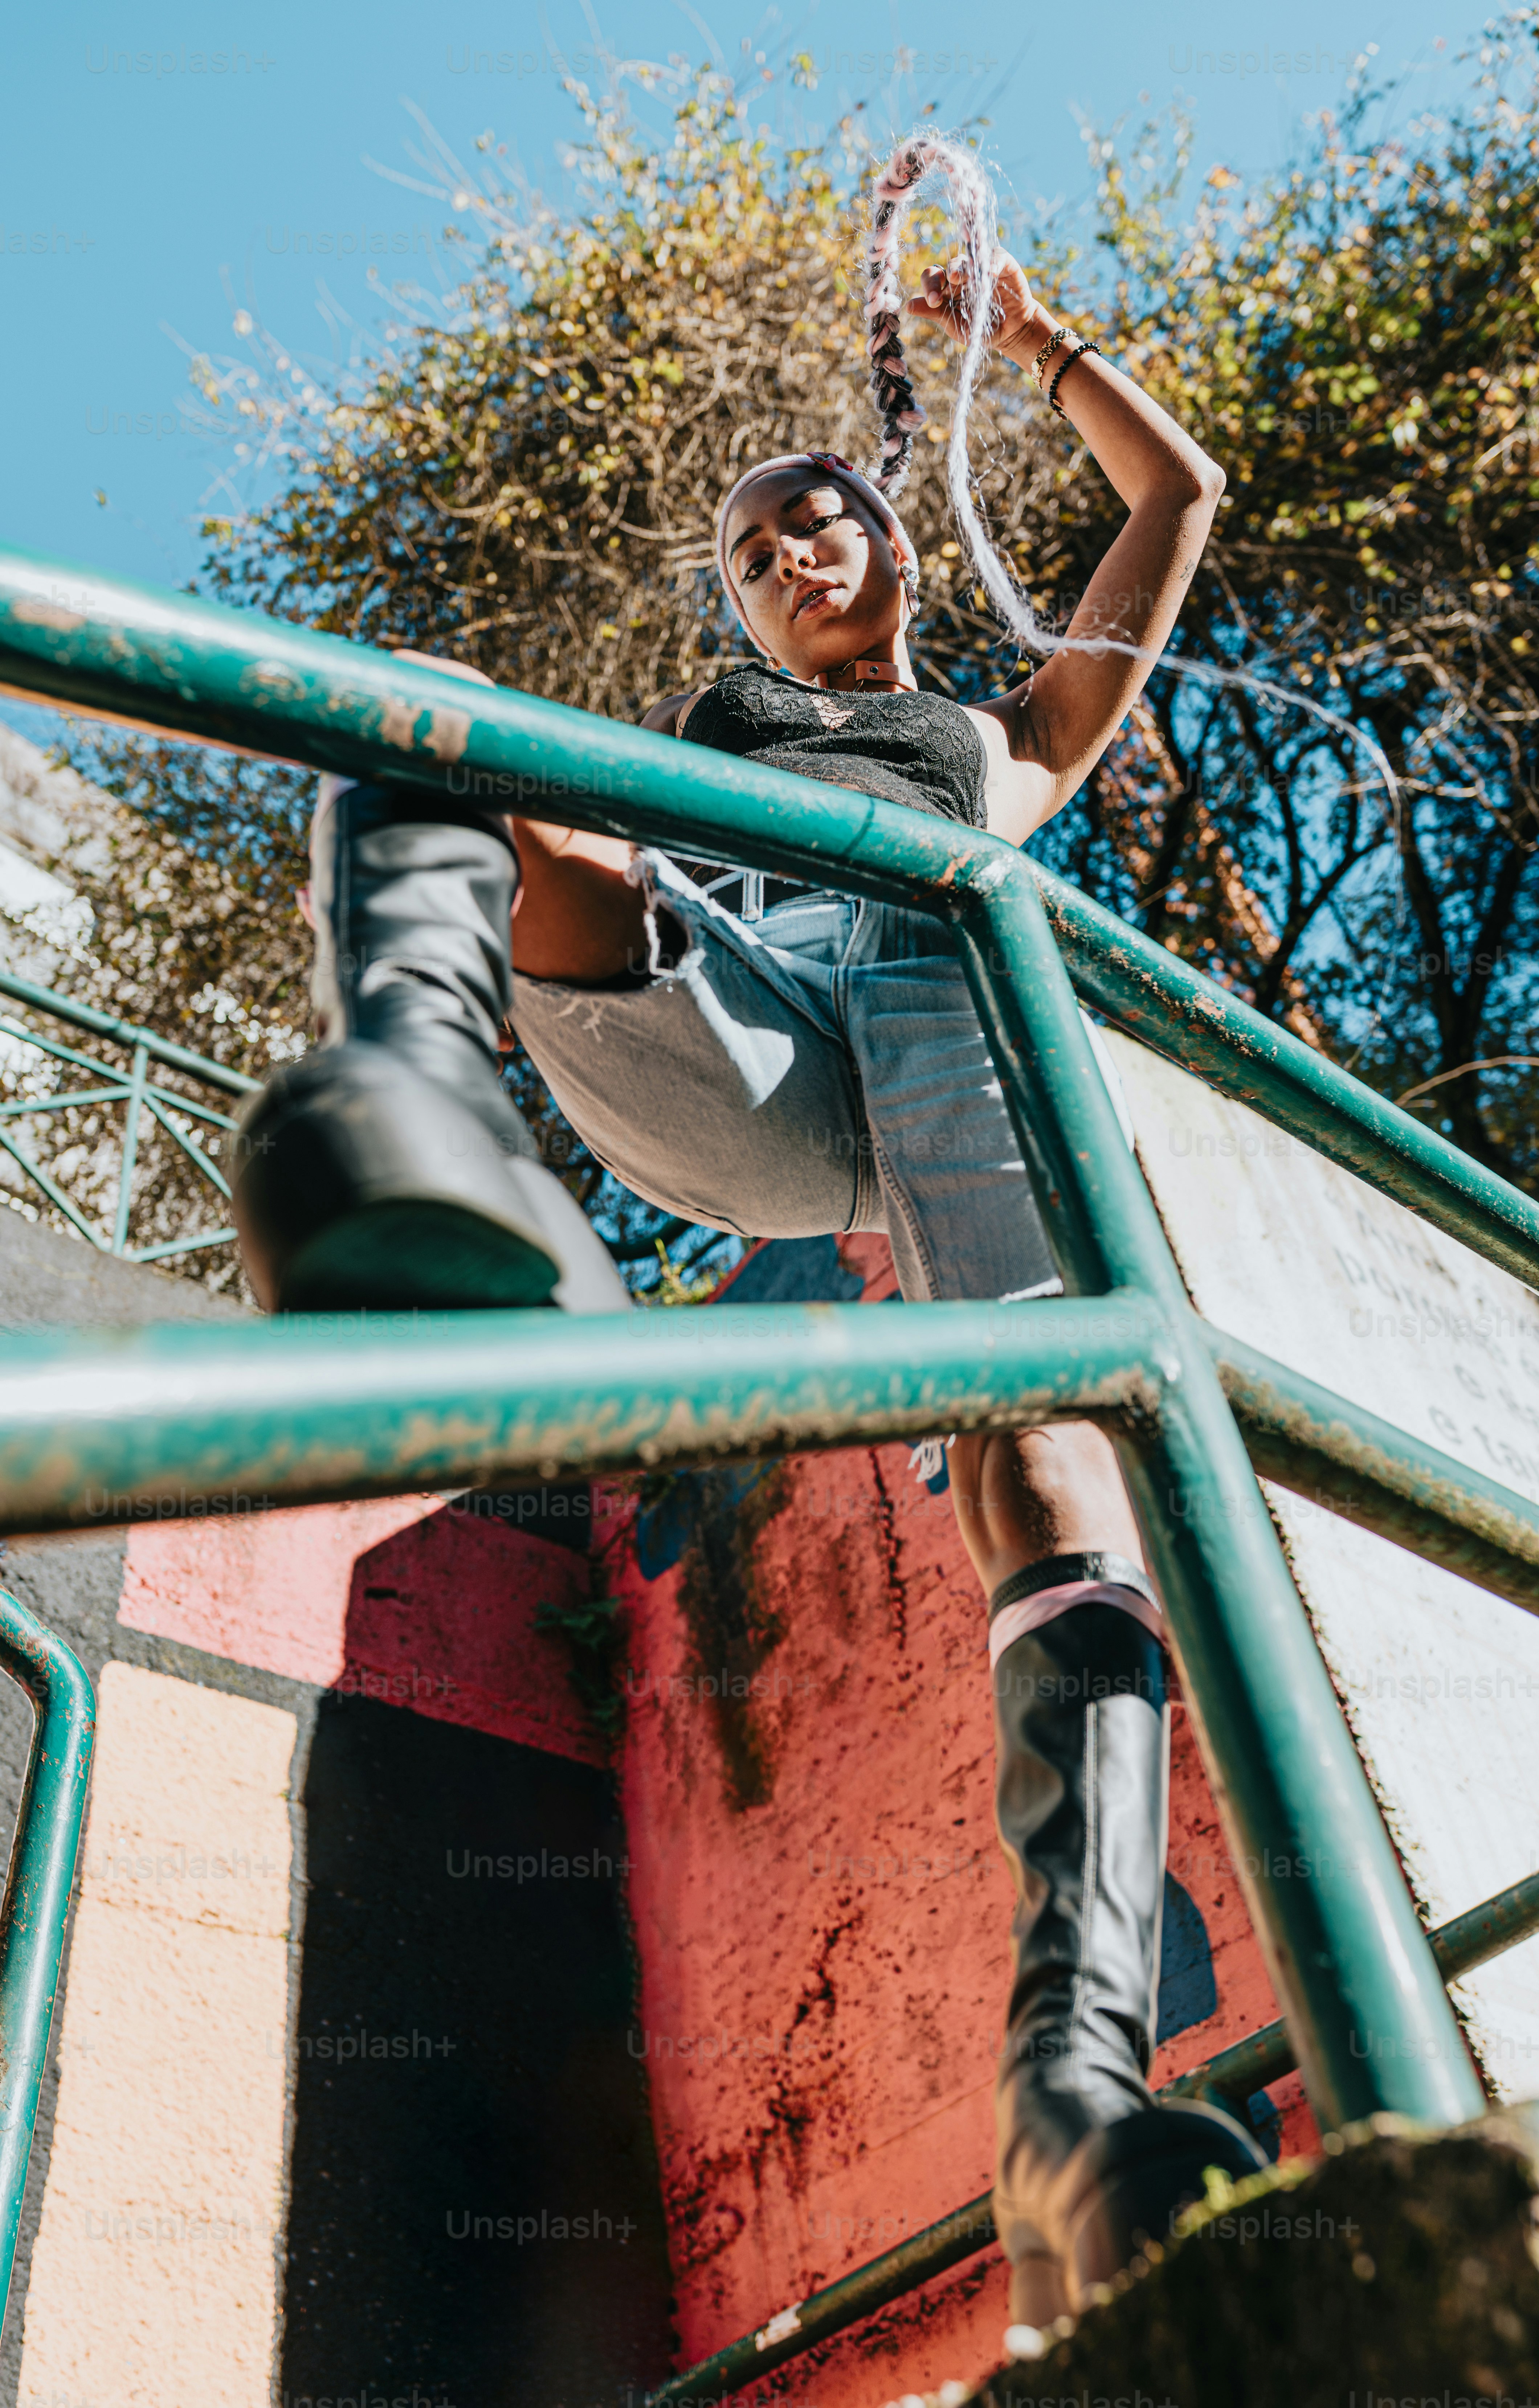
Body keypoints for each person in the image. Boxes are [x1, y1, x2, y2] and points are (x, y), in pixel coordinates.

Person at [233, 233, 1265, 2340]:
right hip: (749, 1026)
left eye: (830, 508)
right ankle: (414, 1124)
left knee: (1048, 1456)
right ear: (742, 608)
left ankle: (1074, 2084)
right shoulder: (709, 754)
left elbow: (1179, 506)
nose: (798, 538)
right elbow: (585, 851)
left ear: (896, 546)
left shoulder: (1004, 738)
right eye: (756, 539)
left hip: (954, 1019)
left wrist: (1030, 332)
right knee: (437, 737)